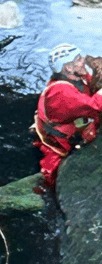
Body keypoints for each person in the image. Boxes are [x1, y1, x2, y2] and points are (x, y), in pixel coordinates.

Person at [33, 43, 102, 186]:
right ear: (68, 68)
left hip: (75, 125)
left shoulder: (77, 78)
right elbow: (93, 105)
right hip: (60, 141)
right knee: (54, 174)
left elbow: (92, 84)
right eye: (78, 59)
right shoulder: (61, 92)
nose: (83, 60)